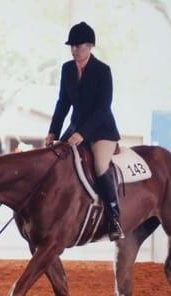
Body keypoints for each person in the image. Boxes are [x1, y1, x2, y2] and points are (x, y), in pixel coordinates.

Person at [45, 22, 124, 241]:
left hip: (101, 130)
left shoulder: (103, 71)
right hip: (76, 127)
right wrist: (53, 131)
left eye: (79, 46)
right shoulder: (67, 69)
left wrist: (83, 134)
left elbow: (103, 108)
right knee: (57, 158)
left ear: (90, 46)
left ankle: (115, 219)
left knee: (99, 166)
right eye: (72, 46)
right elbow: (63, 103)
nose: (74, 50)